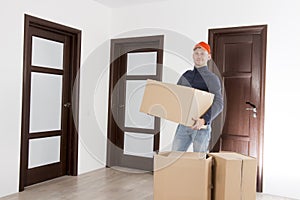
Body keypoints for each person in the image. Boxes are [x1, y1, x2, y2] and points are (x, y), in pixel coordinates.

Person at [172, 41, 223, 152]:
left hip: (201, 127)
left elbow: (219, 103)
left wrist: (204, 120)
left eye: (202, 53)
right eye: (196, 53)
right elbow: (174, 96)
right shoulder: (186, 75)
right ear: (193, 56)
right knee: (175, 158)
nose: (199, 56)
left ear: (208, 57)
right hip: (183, 125)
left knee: (199, 162)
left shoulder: (212, 78)